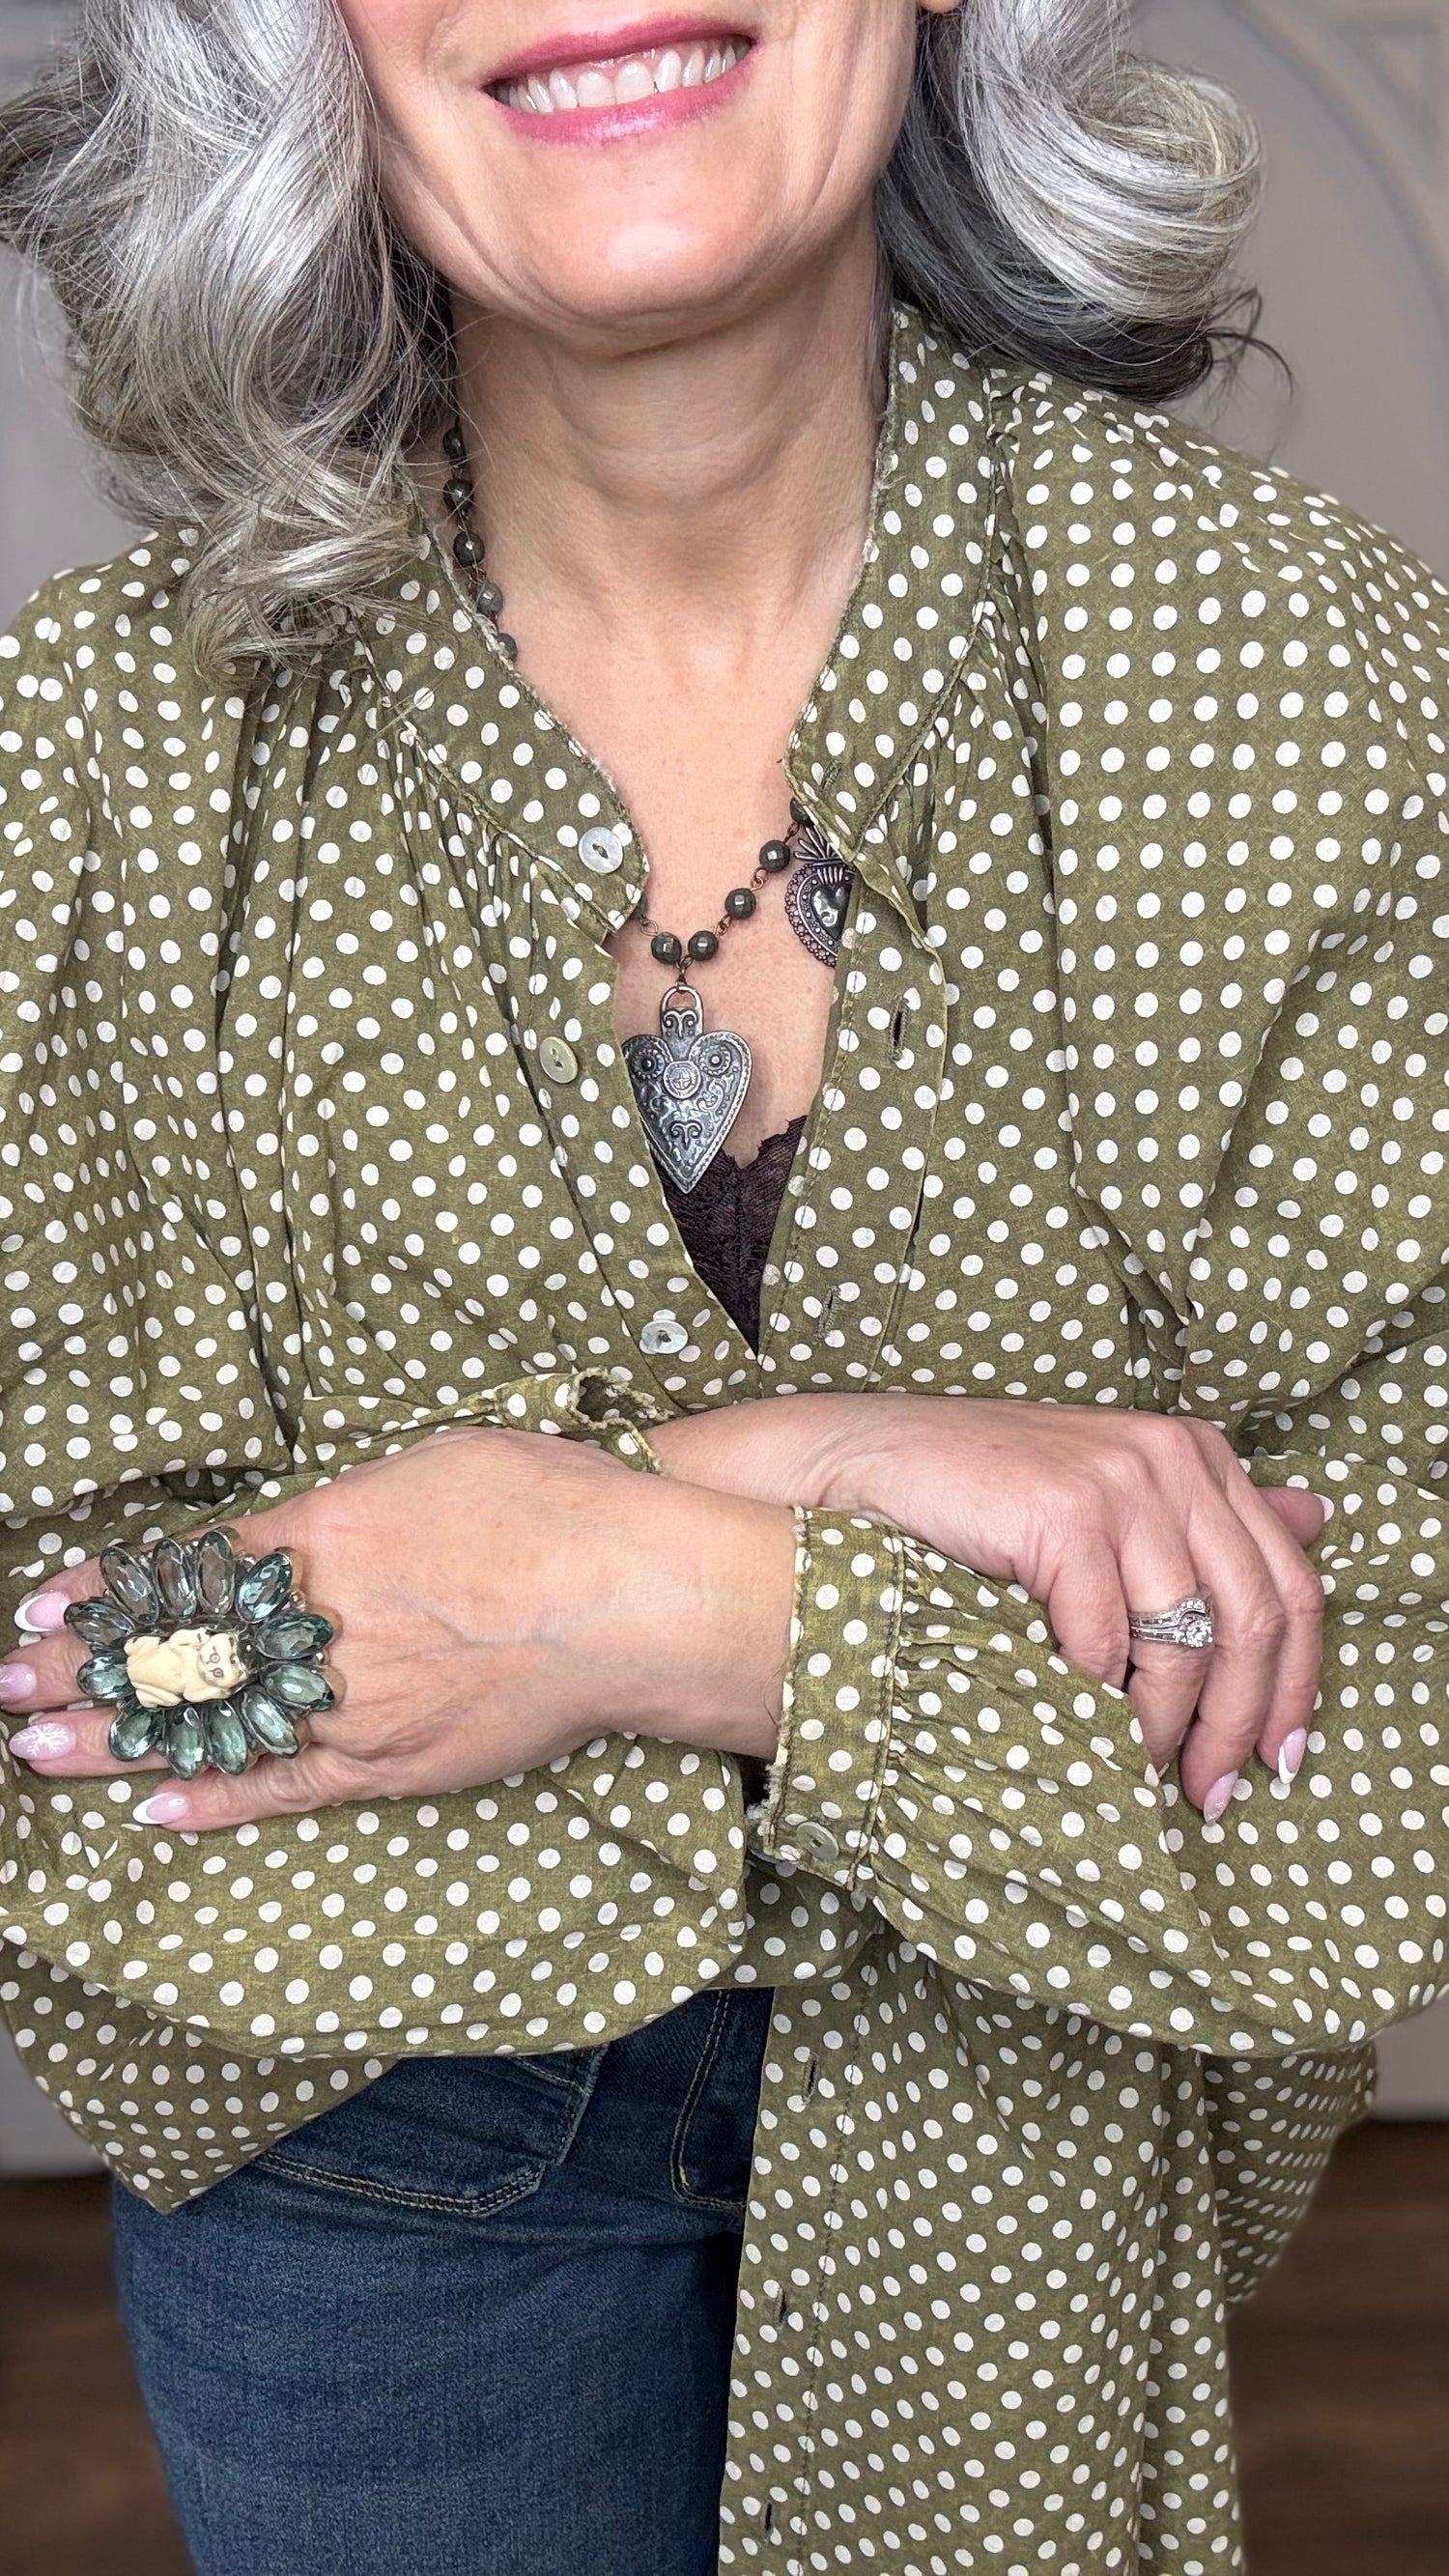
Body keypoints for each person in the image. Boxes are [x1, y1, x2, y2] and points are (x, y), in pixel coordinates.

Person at [0, 2, 1444, 2569]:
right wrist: (778, 1469)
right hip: (372, 2168)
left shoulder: (1312, 678)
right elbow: (62, 1689)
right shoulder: (94, 754)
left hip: (1044, 2131)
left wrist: (665, 1593)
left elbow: (1392, 1703)